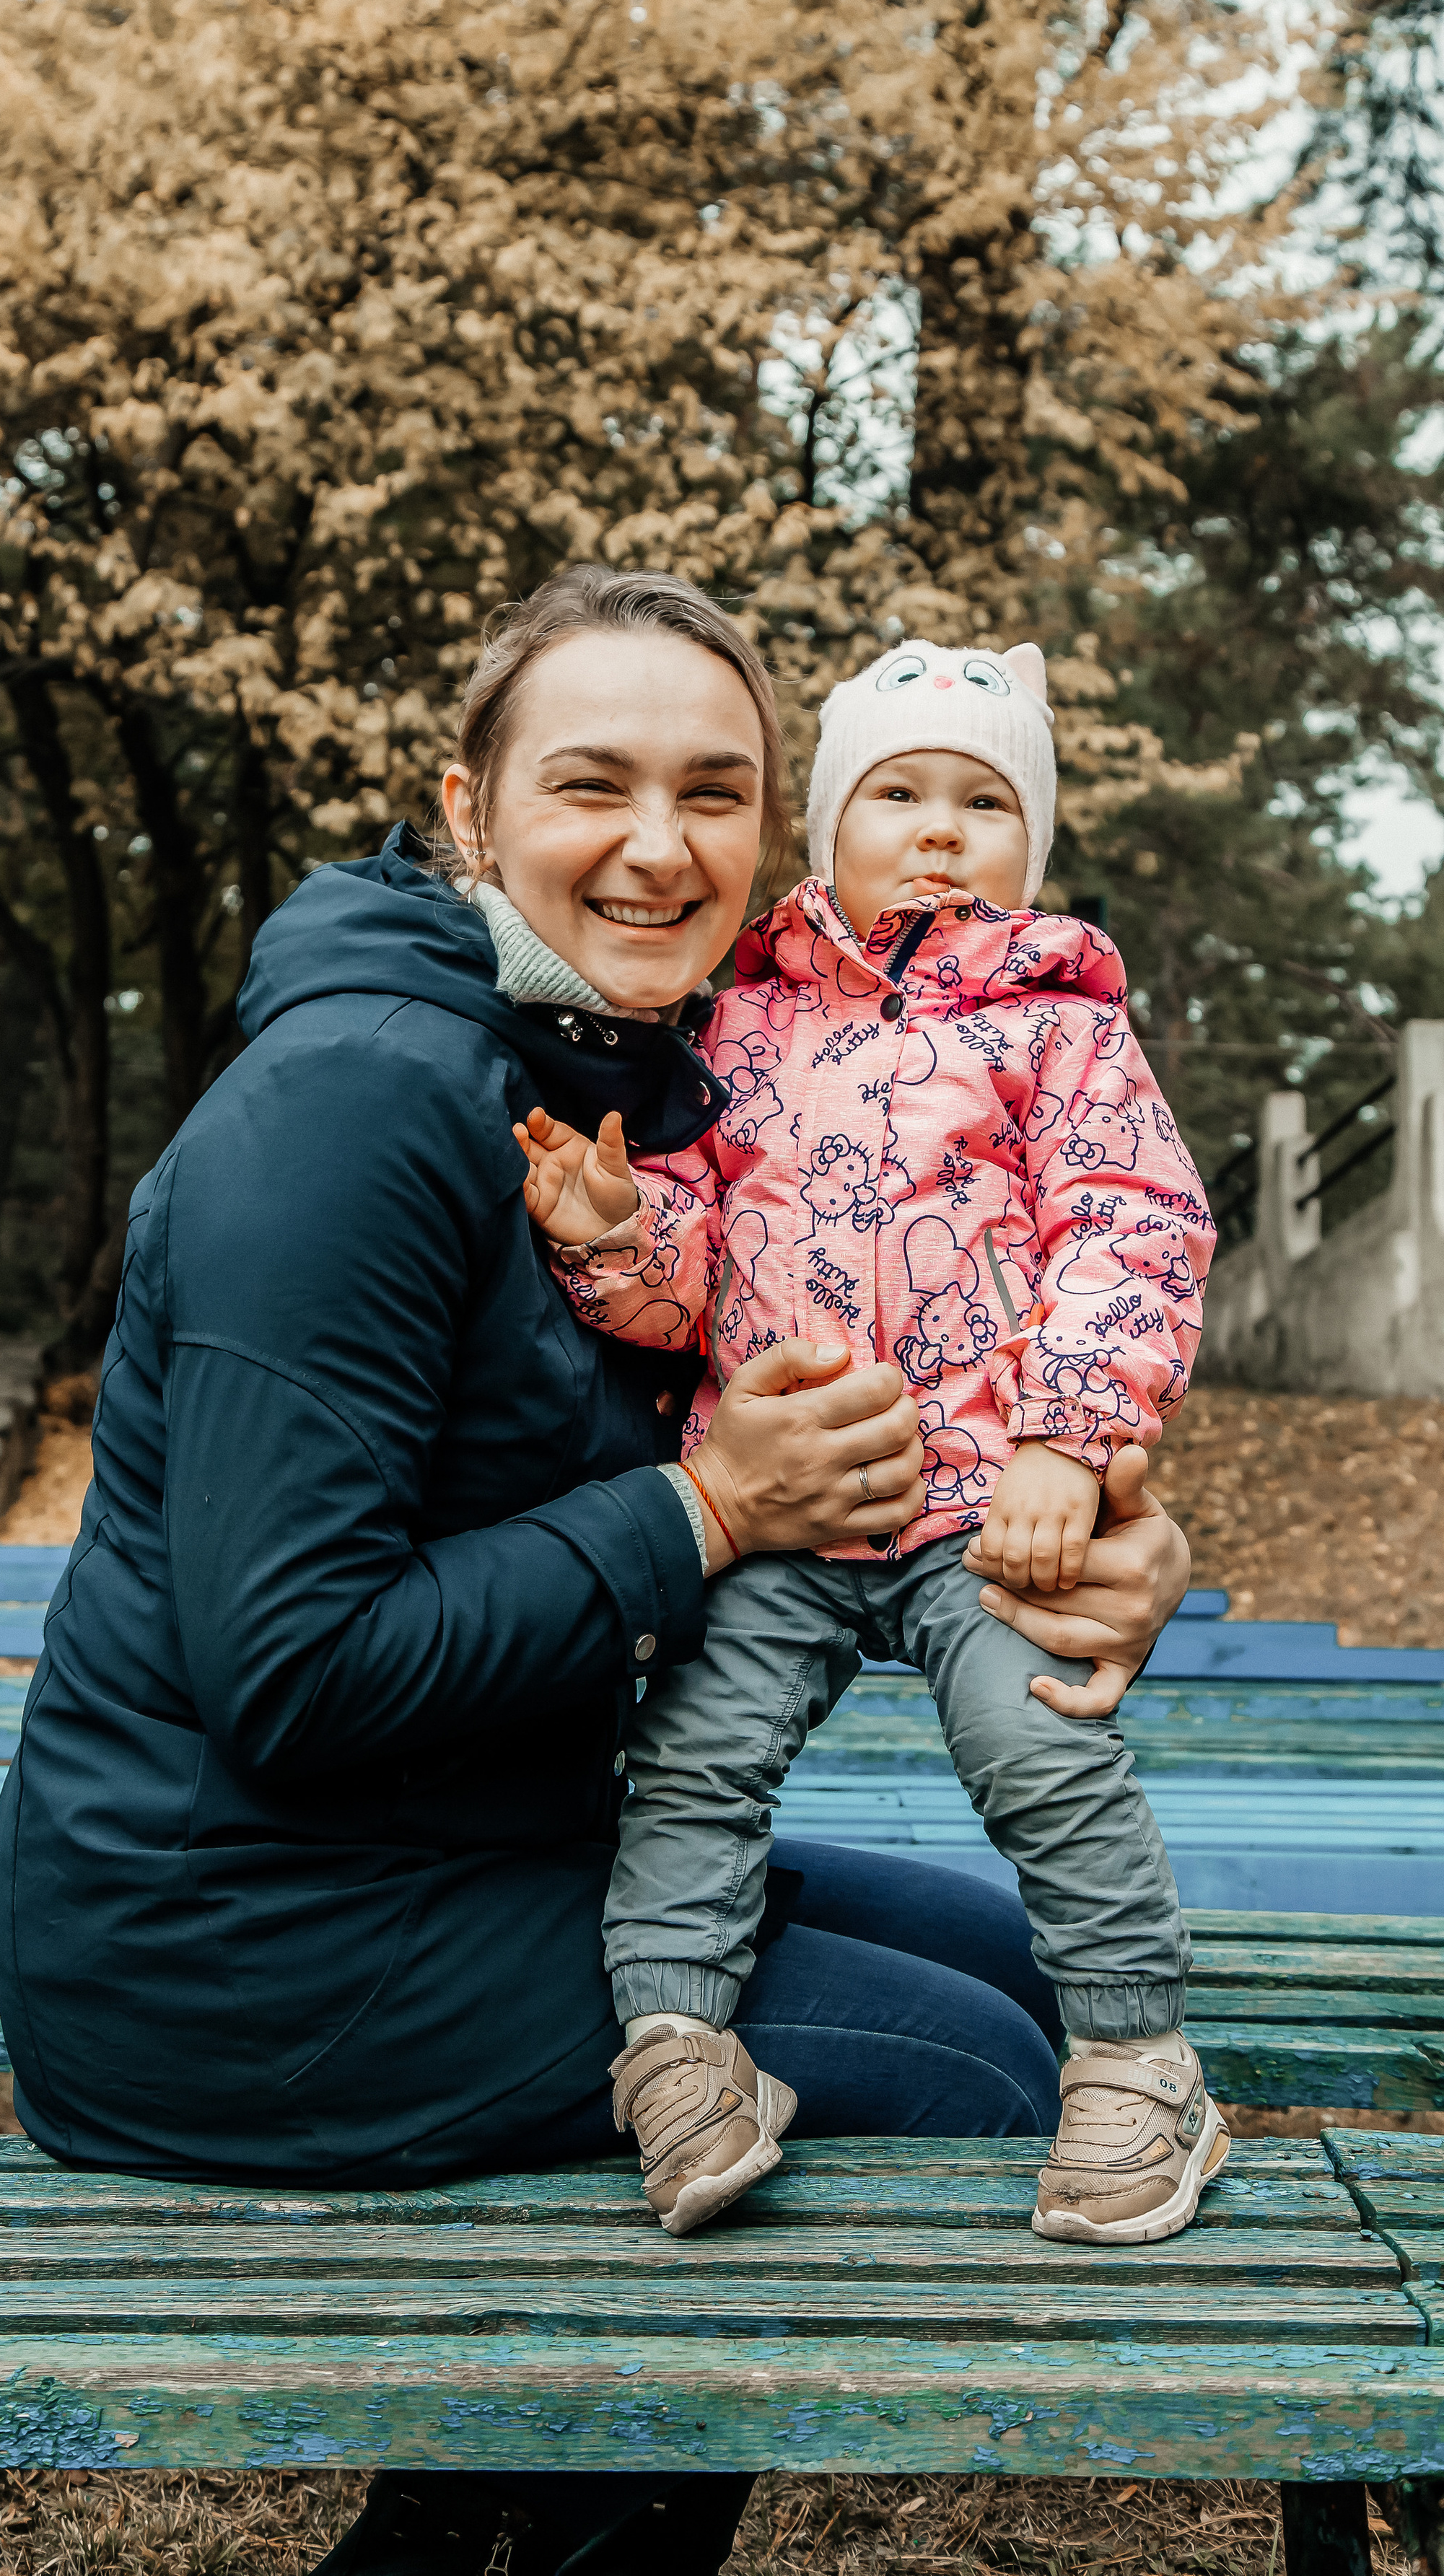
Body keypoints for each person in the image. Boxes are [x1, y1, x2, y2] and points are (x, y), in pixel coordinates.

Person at [0, 568, 1194, 2576]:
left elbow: (871, 1350)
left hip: (469, 1849)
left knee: (1010, 1958)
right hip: (242, 1950)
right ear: (470, 812)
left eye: (717, 790)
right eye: (594, 785)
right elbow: (293, 1672)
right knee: (976, 2068)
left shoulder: (601, 1068)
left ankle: (464, 2525)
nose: (662, 846)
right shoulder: (358, 1112)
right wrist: (709, 1514)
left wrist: (1071, 1524)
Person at [516, 634, 1224, 2248]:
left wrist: (1066, 1435)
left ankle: (1133, 2053)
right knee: (694, 1758)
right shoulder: (739, 1023)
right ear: (823, 828)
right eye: (893, 792)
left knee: (1036, 1750)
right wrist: (619, 1233)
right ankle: (677, 2044)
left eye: (981, 801)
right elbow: (690, 1277)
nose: (935, 829)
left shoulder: (1060, 1030)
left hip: (988, 1497)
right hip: (780, 1505)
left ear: (1027, 841)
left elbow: (1128, 1228)